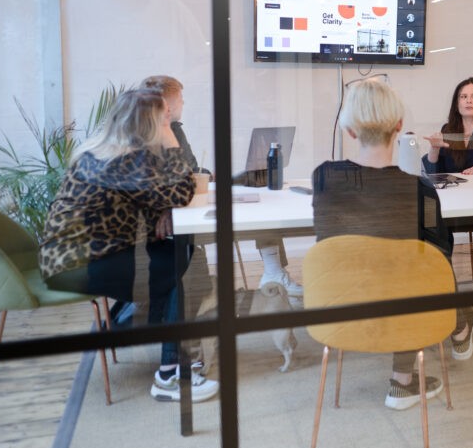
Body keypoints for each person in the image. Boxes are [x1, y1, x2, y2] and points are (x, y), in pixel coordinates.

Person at [39, 88, 219, 402]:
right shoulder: (124, 159)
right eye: (164, 118)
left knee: (182, 254)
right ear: (150, 124)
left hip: (77, 255)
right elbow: (181, 189)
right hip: (78, 263)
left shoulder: (110, 150)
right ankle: (170, 374)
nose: (170, 121)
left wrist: (163, 208)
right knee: (182, 261)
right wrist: (171, 139)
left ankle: (136, 325)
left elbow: (158, 194)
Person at [312, 77, 473, 411]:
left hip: (341, 306)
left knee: (395, 272)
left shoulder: (324, 178)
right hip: (402, 310)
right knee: (414, 274)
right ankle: (404, 379)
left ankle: (428, 354)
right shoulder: (421, 191)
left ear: (350, 131)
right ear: (400, 127)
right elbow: (440, 260)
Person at [142, 75, 301, 297]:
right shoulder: (150, 136)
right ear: (166, 106)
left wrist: (210, 176)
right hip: (178, 215)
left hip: (193, 195)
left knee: (254, 193)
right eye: (180, 99)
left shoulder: (175, 129)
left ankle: (274, 271)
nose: (184, 103)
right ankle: (271, 274)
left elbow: (192, 169)